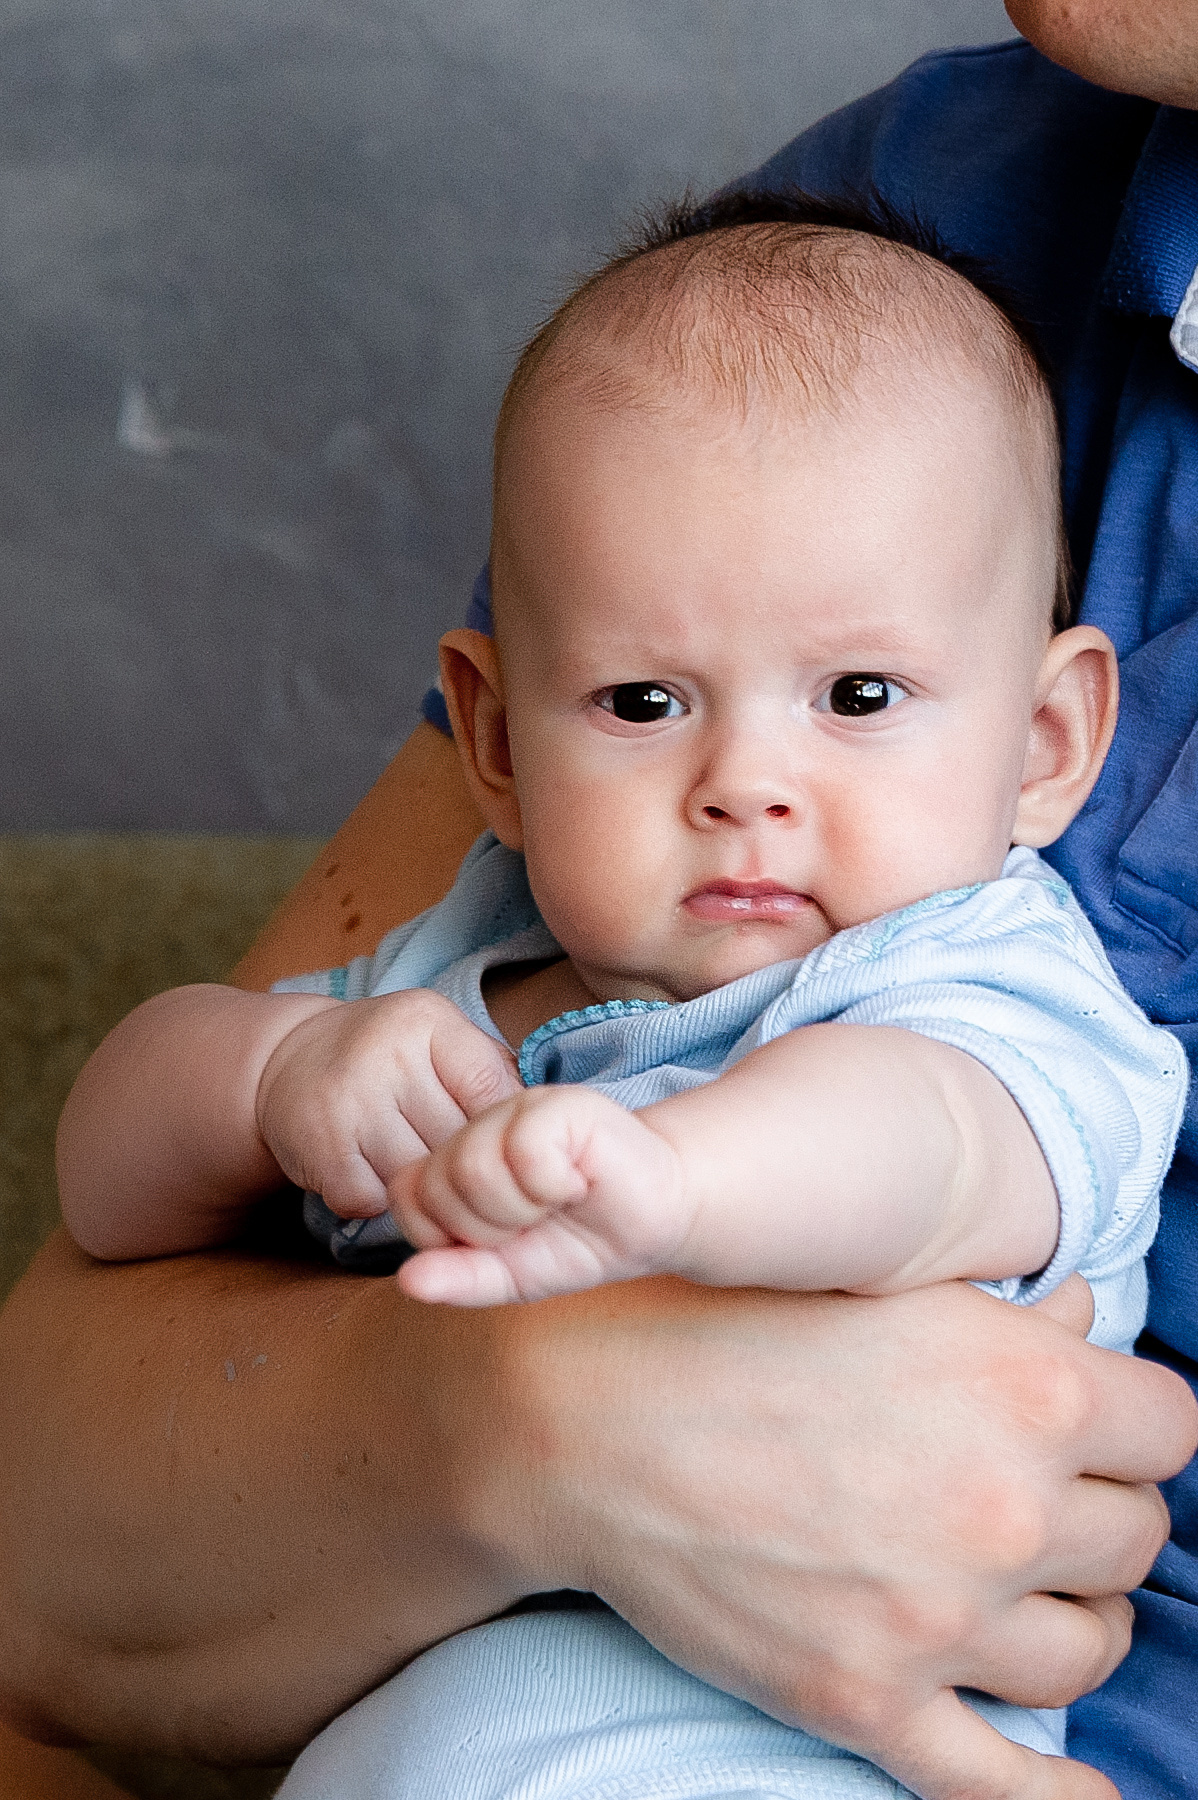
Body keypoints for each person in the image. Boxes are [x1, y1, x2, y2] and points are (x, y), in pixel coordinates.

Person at [2, 6, 1198, 1800]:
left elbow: (929, 1144)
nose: (743, 781)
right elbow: (104, 1221)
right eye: (643, 705)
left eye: (857, 700)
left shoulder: (974, 980)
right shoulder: (465, 981)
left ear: (1047, 744)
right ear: (491, 736)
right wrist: (261, 1089)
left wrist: (682, 1185)